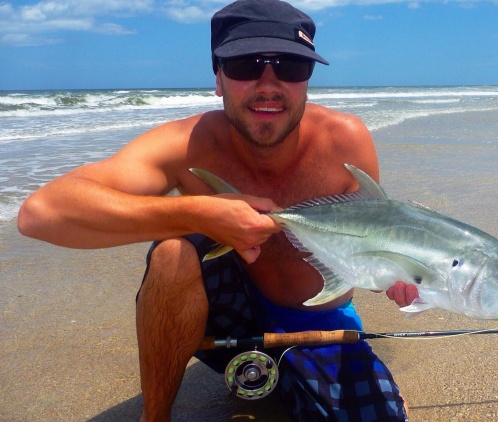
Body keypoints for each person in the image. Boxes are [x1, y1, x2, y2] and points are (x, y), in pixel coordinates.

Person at [17, 0, 419, 420]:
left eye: (290, 66)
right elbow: (42, 213)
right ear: (218, 78)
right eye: (246, 65)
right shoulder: (186, 145)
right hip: (223, 317)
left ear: (307, 80)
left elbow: (374, 247)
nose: (269, 83)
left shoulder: (347, 143)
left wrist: (395, 276)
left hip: (316, 321)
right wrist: (203, 215)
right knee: (173, 251)